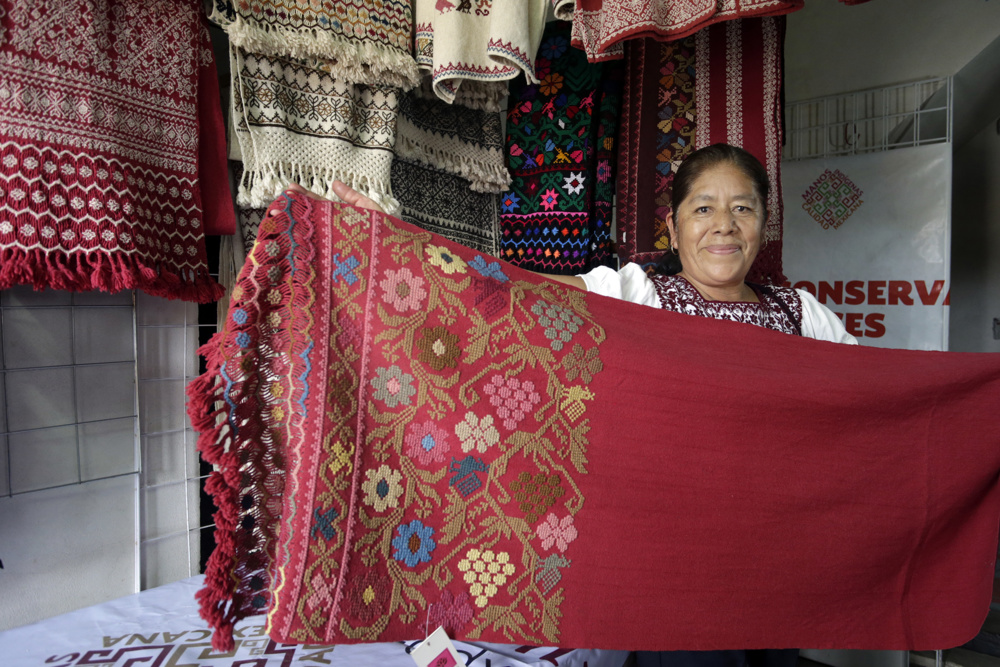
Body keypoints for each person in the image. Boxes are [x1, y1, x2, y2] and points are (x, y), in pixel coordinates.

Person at [288, 143, 856, 667]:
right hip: (670, 564)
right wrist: (402, 240)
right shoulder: (637, 295)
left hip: (778, 560)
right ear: (674, 226)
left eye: (743, 209)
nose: (724, 226)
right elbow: (518, 290)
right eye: (703, 208)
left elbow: (873, 401)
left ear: (763, 223)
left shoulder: (802, 315)